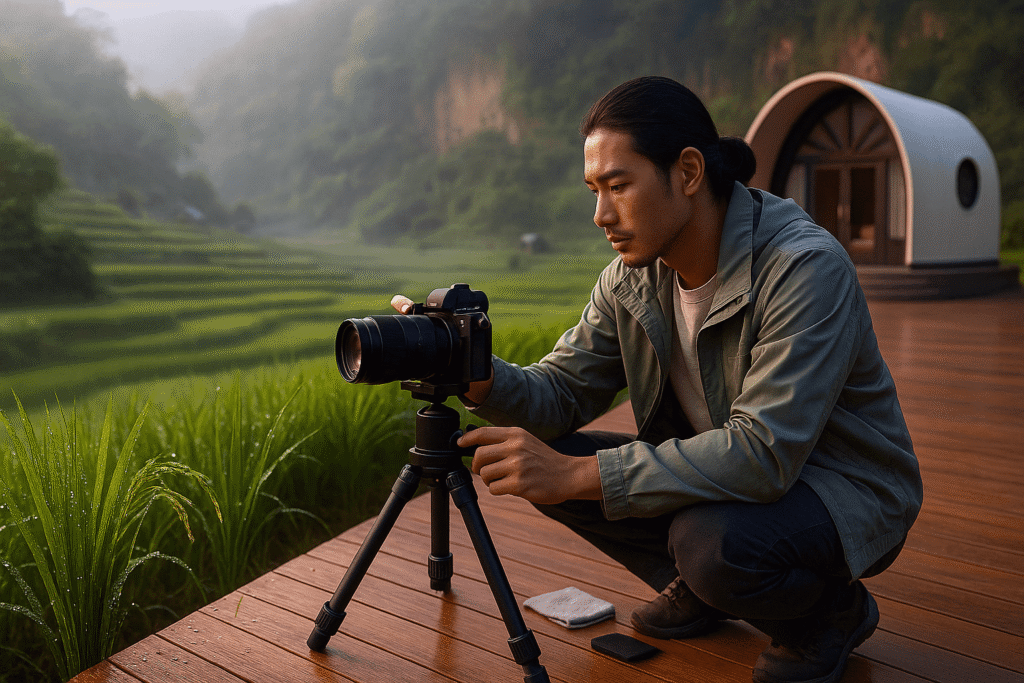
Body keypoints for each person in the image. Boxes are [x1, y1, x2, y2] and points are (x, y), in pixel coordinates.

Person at [393, 76, 923, 683]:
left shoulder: (802, 268)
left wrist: (578, 475)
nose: (601, 214)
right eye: (595, 190)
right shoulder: (631, 279)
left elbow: (763, 453)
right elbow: (562, 393)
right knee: (545, 459)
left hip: (839, 487)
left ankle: (828, 614)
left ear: (689, 172)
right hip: (729, 476)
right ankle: (707, 590)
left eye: (618, 186)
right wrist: (473, 373)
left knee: (709, 543)